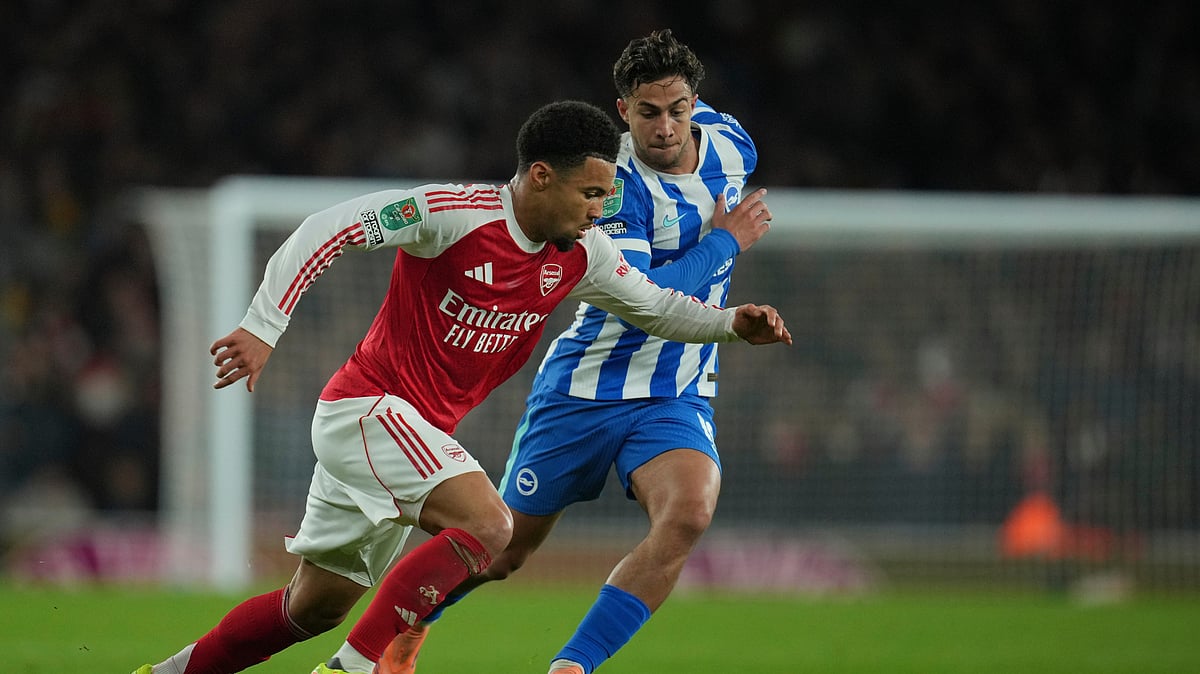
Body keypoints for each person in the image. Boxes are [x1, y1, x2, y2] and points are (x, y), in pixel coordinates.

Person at [133, 98, 789, 674]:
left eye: (607, 195)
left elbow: (653, 306)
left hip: (404, 439)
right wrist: (262, 327)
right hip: (367, 411)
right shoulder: (451, 214)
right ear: (540, 177)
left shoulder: (581, 254)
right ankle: (354, 670)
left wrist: (733, 324)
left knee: (310, 609)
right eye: (591, 194)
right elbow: (327, 228)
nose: (600, 210)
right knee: (490, 525)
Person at [368, 29, 775, 674]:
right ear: (623, 111)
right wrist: (727, 244)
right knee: (503, 553)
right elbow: (651, 297)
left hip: (675, 390)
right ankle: (407, 624)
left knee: (690, 512)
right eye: (648, 113)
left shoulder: (731, 141)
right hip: (586, 387)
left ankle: (572, 666)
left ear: (695, 102)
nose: (666, 128)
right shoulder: (610, 185)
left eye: (678, 110)